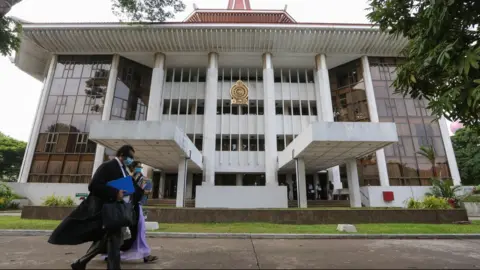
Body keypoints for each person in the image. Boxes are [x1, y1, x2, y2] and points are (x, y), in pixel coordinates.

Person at [48, 145, 136, 270]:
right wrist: (115, 193)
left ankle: (80, 263)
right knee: (114, 240)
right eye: (130, 157)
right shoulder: (108, 166)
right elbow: (94, 185)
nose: (131, 160)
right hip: (105, 210)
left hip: (116, 210)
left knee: (108, 240)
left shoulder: (124, 170)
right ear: (121, 154)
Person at [103, 161, 158, 263]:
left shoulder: (144, 179)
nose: (139, 169)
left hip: (135, 207)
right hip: (124, 208)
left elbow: (142, 193)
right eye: (137, 167)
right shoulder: (125, 177)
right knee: (122, 233)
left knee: (139, 231)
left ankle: (145, 254)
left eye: (140, 167)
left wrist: (143, 191)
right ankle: (112, 254)